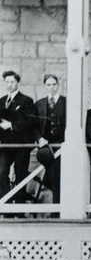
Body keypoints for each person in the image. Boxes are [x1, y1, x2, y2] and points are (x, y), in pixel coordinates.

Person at [0, 70, 35, 205]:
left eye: (12, 82)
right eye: (7, 82)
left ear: (18, 83)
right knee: (1, 172)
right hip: (5, 146)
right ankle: (7, 205)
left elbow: (29, 122)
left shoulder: (26, 101)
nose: (9, 84)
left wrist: (12, 125)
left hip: (21, 145)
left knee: (21, 175)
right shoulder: (1, 101)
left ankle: (19, 209)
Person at [33, 74, 66, 202]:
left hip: (62, 145)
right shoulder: (39, 104)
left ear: (58, 85)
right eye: (49, 85)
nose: (52, 87)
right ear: (45, 86)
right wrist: (40, 139)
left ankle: (56, 207)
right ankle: (56, 205)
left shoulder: (66, 102)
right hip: (45, 145)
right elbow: (34, 126)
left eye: (54, 84)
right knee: (53, 167)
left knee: (56, 170)